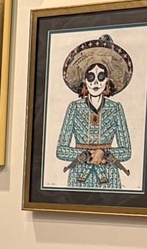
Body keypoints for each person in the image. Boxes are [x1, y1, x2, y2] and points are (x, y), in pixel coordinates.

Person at [54, 34, 133, 189]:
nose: (96, 82)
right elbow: (60, 150)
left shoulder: (116, 108)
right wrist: (86, 155)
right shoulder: (74, 107)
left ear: (107, 81)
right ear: (84, 80)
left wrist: (104, 153)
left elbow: (127, 151)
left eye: (101, 76)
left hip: (109, 178)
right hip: (79, 178)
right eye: (91, 77)